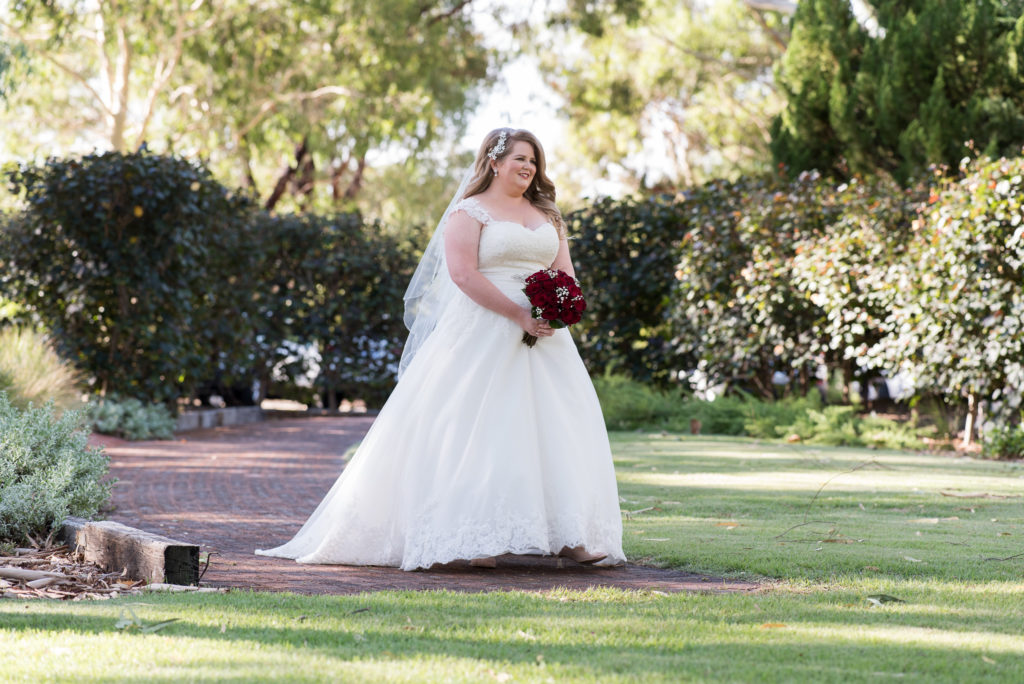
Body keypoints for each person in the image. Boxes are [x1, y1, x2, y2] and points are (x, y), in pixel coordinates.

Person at [256, 128, 626, 570]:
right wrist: (517, 314)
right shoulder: (469, 213)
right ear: (494, 161)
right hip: (485, 328)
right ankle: (476, 538)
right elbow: (464, 275)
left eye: (534, 161)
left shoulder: (548, 215)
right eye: (519, 159)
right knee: (480, 428)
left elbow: (566, 273)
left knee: (557, 429)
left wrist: (560, 306)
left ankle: (569, 536)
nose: (528, 168)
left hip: (546, 337)